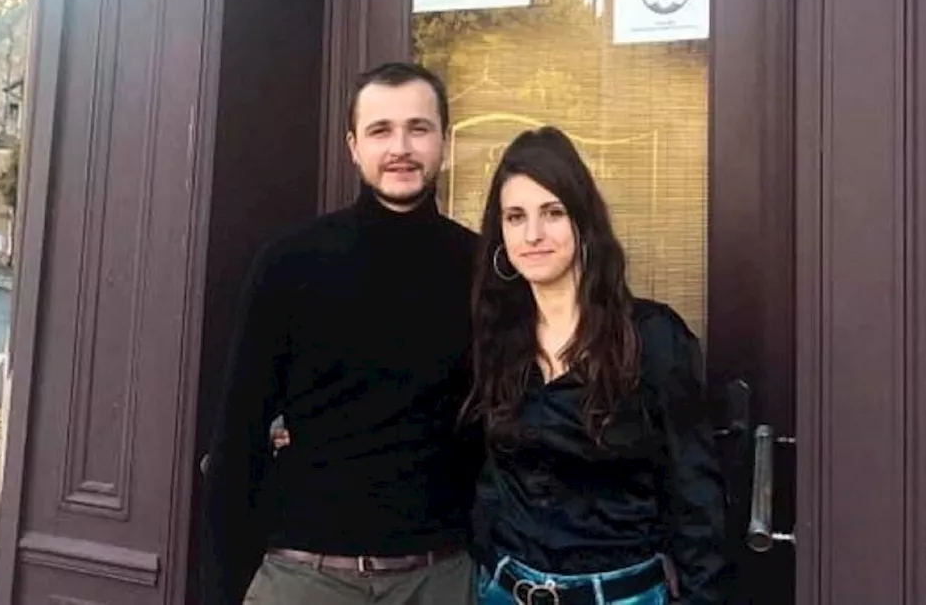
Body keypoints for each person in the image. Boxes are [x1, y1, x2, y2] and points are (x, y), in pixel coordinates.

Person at [199, 61, 480, 605]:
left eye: (418, 128)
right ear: (353, 146)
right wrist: (223, 587)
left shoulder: (479, 269)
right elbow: (237, 437)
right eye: (380, 130)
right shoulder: (289, 263)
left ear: (445, 140)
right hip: (306, 577)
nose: (400, 146)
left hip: (440, 577)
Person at [465, 127, 734, 605]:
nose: (533, 234)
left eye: (553, 213)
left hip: (621, 594)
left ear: (583, 221)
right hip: (503, 592)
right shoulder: (496, 338)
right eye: (515, 216)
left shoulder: (651, 337)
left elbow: (697, 499)